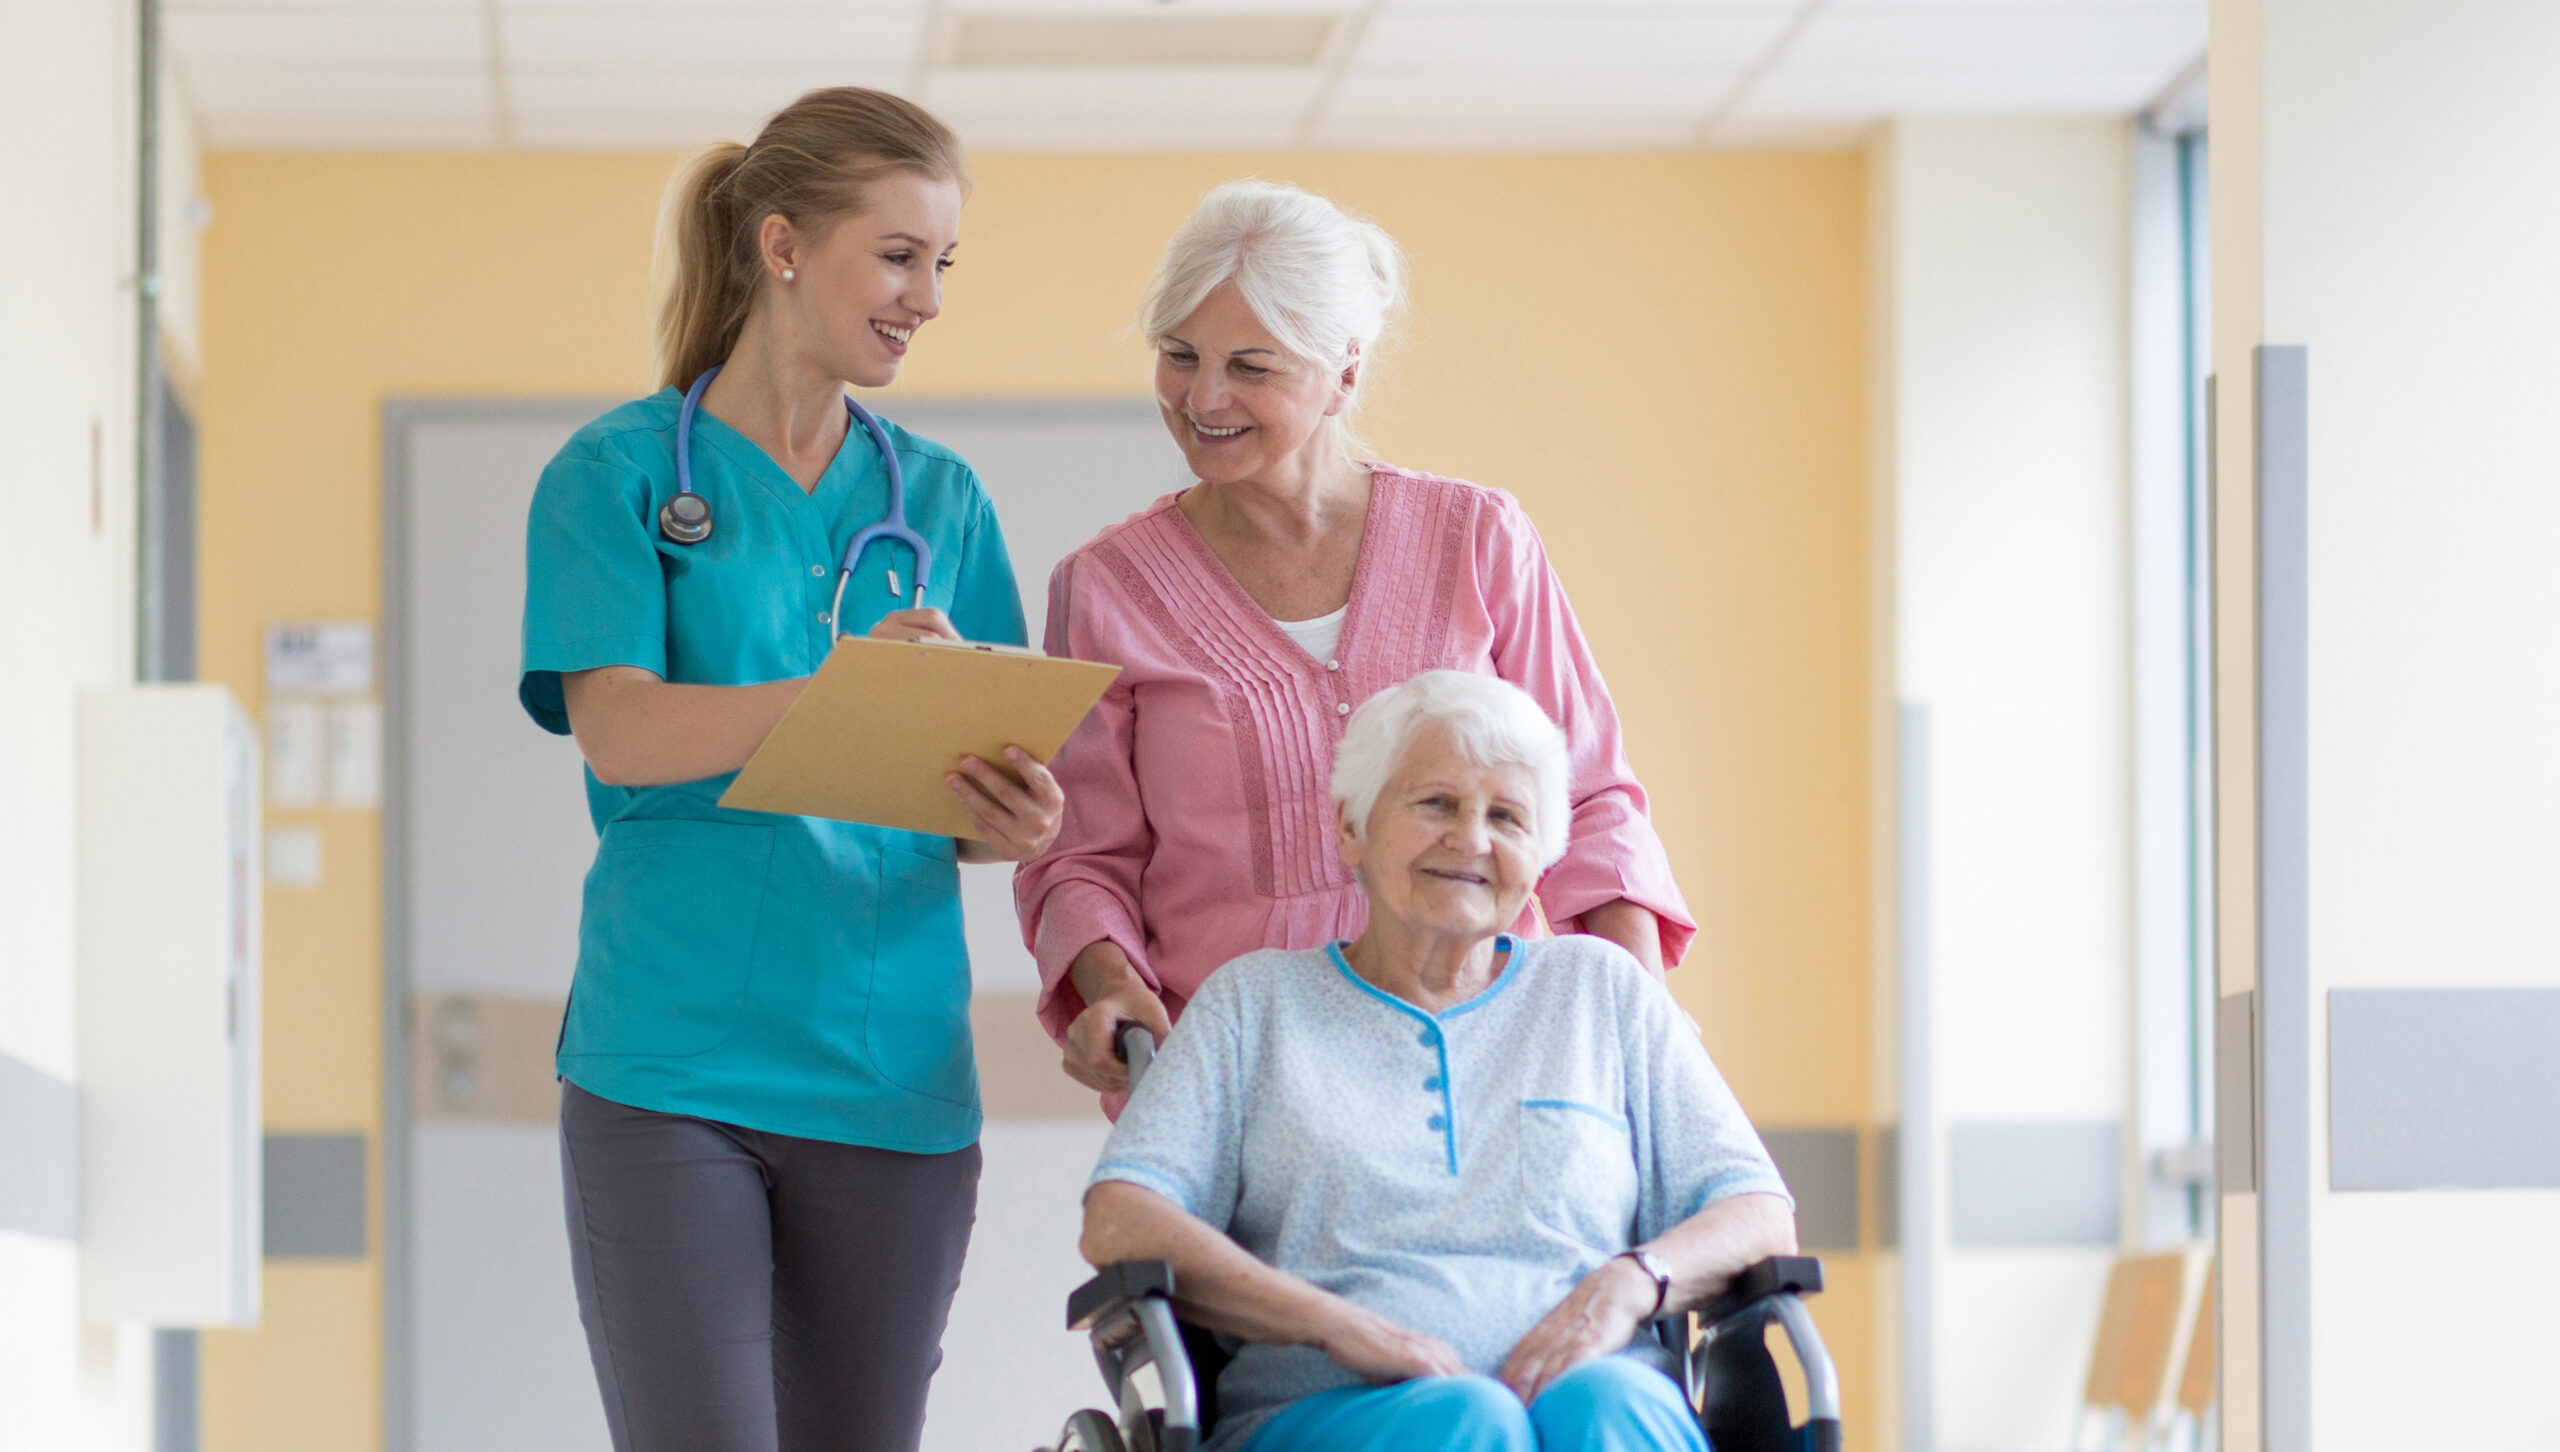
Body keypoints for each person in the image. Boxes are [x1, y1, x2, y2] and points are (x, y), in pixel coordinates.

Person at [517, 88, 1064, 1452]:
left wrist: (1016, 815)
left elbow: (959, 795)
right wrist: (841, 688)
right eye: (897, 255)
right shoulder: (620, 474)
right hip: (671, 1065)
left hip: (890, 1066)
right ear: (780, 246)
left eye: (943, 263)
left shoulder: (938, 500)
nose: (927, 296)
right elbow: (624, 733)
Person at [1016, 180, 1695, 1100]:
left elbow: (1592, 802)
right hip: (1238, 1079)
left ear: (1343, 369)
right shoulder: (1104, 590)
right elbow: (1082, 856)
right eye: (1179, 355)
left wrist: (1643, 1044)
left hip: (1492, 1063)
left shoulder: (1478, 539)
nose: (1203, 396)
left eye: (1251, 367)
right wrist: (1114, 994)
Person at [1079, 672, 1794, 1452]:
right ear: (1352, 828)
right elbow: (1121, 1218)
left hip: (1603, 1388)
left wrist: (1629, 1285)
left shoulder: (1600, 991)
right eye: (1436, 804)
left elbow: (1758, 1214)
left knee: (1613, 1406)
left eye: (1508, 816)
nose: (1473, 840)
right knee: (1469, 1423)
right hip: (1329, 1410)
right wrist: (1332, 1324)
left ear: (1541, 856)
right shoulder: (1255, 1005)